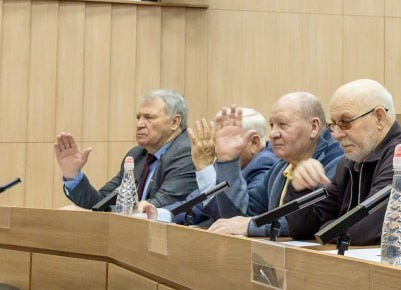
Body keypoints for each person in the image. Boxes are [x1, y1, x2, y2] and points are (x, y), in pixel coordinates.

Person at [282, 79, 401, 244]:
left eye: (346, 122)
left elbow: (366, 231)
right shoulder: (349, 161)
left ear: (379, 118)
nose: (336, 134)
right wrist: (299, 189)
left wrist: (326, 228)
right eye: (333, 124)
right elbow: (303, 230)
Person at [206, 93, 344, 236]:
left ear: (314, 127)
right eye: (272, 125)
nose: (272, 134)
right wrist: (228, 160)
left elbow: (315, 222)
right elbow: (238, 218)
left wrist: (252, 226)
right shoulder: (281, 167)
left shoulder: (337, 161)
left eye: (282, 125)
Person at [56, 89, 197, 210]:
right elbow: (100, 204)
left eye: (149, 117)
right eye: (138, 117)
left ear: (174, 122)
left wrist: (88, 214)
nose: (139, 124)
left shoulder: (187, 152)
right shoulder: (137, 155)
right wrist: (73, 175)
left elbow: (155, 209)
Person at [143, 107, 276, 226]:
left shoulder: (267, 164)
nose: (216, 148)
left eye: (227, 140)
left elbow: (231, 216)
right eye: (218, 140)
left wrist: (205, 167)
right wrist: (157, 213)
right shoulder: (228, 163)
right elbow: (197, 203)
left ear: (254, 143)